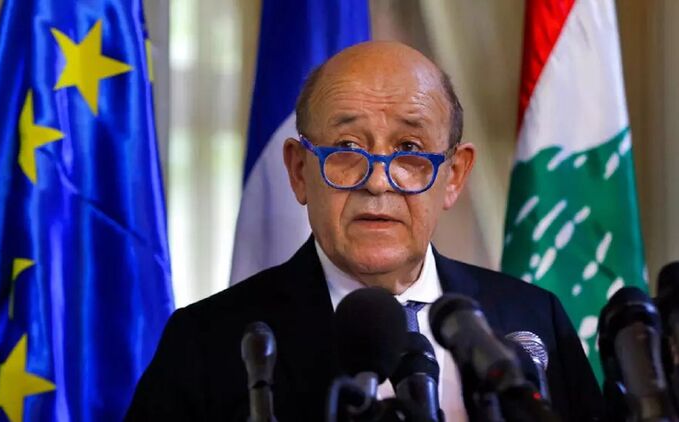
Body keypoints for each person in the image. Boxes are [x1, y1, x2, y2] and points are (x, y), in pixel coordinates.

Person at [126, 41, 604, 421]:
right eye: (347, 147)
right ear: (299, 171)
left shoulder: (534, 319)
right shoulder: (207, 342)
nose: (377, 180)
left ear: (454, 175)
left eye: (410, 149)